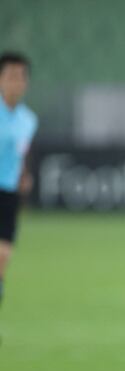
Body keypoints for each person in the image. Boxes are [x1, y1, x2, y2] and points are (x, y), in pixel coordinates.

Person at [0, 52, 37, 307]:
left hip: (9, 194)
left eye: (21, 77)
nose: (16, 82)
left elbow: (21, 153)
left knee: (3, 256)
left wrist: (24, 176)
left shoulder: (28, 119)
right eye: (11, 76)